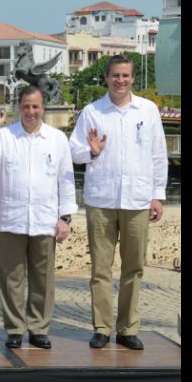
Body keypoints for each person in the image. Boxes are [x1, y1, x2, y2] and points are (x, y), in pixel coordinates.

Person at [69, 54, 167, 350]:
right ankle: (101, 327)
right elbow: (74, 152)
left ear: (132, 78)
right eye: (115, 76)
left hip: (137, 200)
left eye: (125, 76)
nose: (120, 80)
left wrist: (157, 195)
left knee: (133, 267)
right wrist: (92, 151)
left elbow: (158, 155)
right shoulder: (92, 111)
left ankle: (127, 329)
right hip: (102, 200)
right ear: (107, 78)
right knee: (100, 268)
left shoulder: (147, 110)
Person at [0, 88, 77, 349]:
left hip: (44, 220)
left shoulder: (56, 139)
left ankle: (39, 328)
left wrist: (65, 217)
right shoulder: (4, 136)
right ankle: (15, 328)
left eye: (36, 107)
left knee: (43, 279)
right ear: (19, 107)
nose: (31, 112)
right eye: (26, 106)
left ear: (43, 108)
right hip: (10, 219)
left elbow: (66, 180)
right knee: (11, 278)